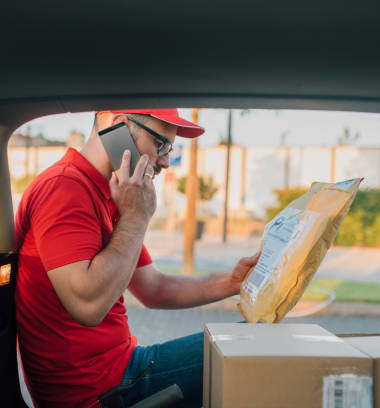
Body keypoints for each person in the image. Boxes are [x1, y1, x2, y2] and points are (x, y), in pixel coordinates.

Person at [14, 109, 260, 408]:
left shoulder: (110, 191)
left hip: (124, 369)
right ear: (119, 127)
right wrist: (136, 217)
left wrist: (233, 282)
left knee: (259, 343)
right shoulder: (65, 187)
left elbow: (153, 288)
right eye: (161, 144)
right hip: (100, 391)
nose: (166, 161)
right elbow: (87, 306)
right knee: (259, 346)